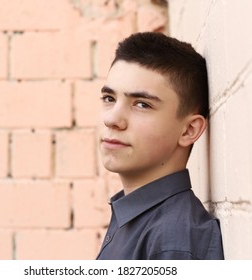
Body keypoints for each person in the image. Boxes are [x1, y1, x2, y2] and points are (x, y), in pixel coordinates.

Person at [96, 32, 224, 260]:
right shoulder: (135, 216)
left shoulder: (173, 241)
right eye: (109, 98)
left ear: (189, 130)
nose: (112, 119)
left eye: (142, 104)